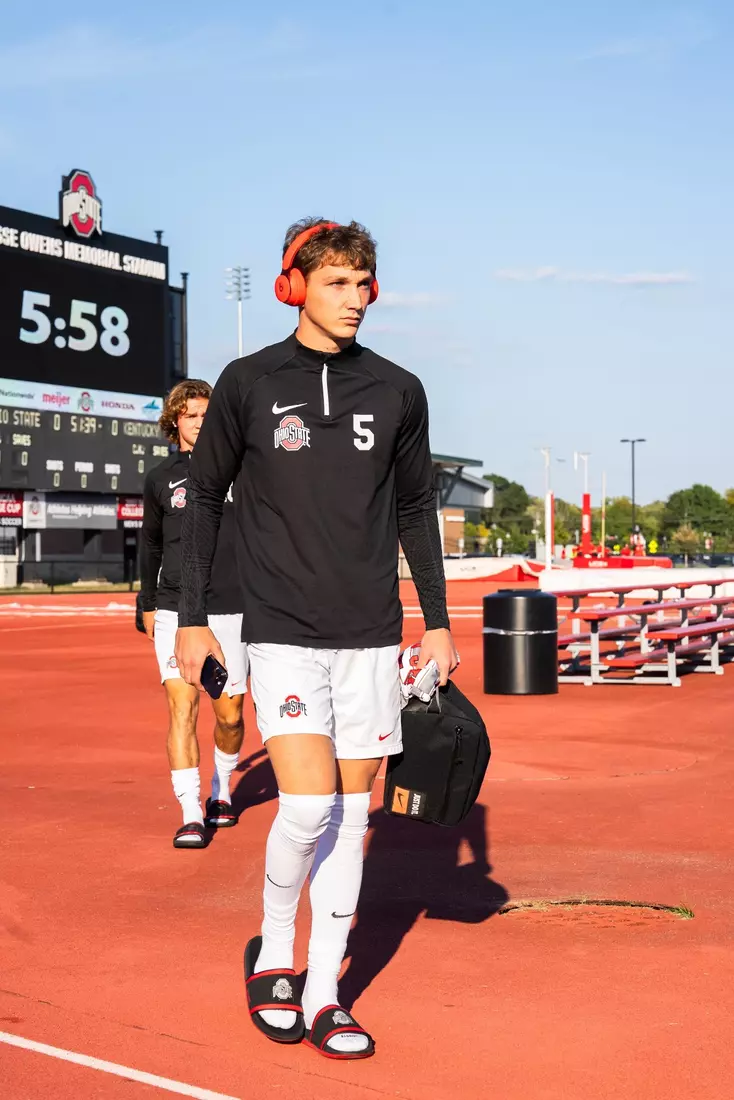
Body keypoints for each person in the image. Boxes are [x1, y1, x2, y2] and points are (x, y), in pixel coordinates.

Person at [174, 219, 458, 1058]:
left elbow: (416, 508)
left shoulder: (399, 389)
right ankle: (274, 951)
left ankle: (327, 990)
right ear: (293, 287)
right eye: (337, 282)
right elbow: (204, 500)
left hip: (370, 634)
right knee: (305, 806)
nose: (356, 297)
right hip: (283, 629)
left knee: (352, 818)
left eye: (364, 283)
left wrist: (438, 620)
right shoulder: (248, 381)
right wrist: (192, 619)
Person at [140, 379, 248, 849]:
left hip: (233, 607)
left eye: (207, 414)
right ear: (175, 422)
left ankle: (221, 791)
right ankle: (189, 812)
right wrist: (146, 602)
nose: (200, 422)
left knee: (230, 715)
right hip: (175, 608)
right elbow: (150, 544)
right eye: (191, 415)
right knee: (181, 708)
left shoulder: (241, 471)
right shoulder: (160, 479)